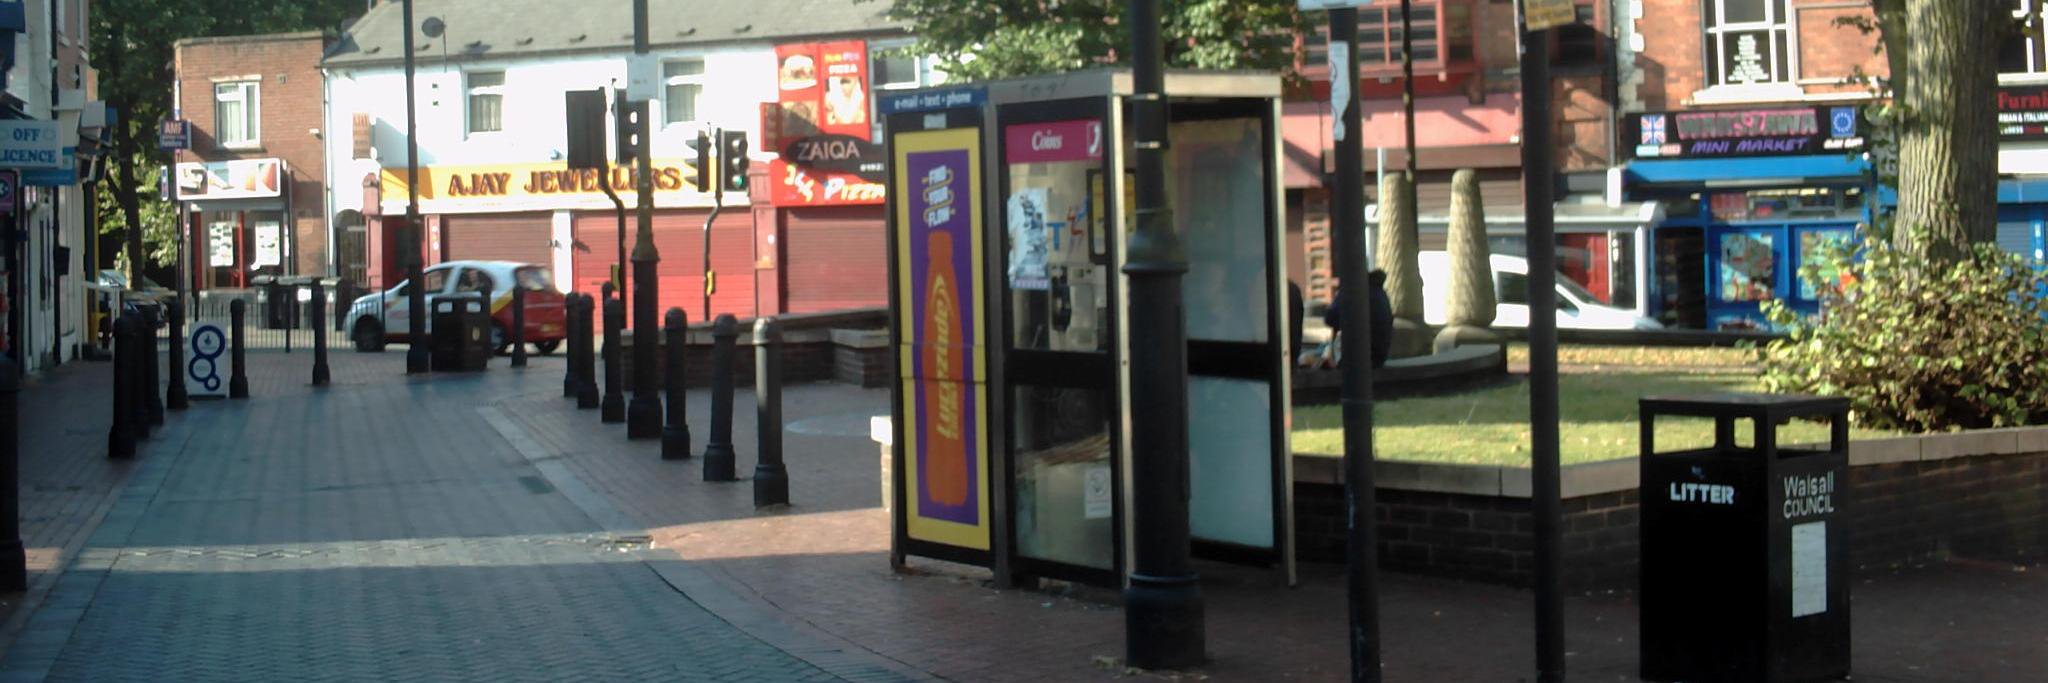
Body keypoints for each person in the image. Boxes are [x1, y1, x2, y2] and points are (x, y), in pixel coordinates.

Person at [1320, 271, 1394, 368]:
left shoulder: (1353, 290)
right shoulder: (1381, 293)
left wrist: (1338, 296)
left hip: (1356, 360)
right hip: (1379, 358)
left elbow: (1330, 318)